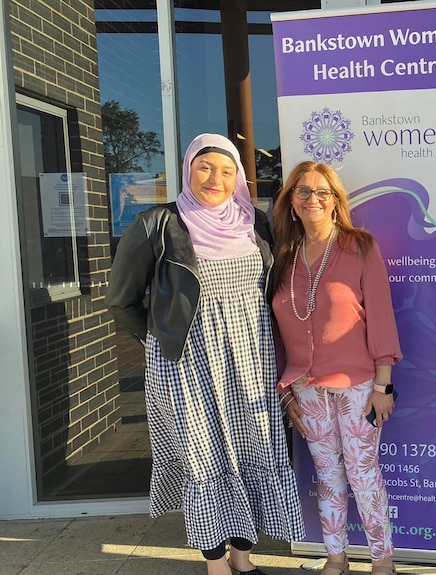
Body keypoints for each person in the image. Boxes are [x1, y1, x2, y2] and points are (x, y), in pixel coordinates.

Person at [106, 133, 305, 575]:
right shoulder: (155, 224)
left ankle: (243, 558)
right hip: (187, 366)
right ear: (187, 169)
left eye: (227, 170)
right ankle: (216, 565)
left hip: (252, 362)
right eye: (205, 167)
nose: (215, 178)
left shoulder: (255, 222)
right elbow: (120, 300)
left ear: (238, 177)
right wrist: (160, 343)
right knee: (204, 457)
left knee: (254, 450)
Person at [272, 161, 402, 575]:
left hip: (358, 387)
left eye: (322, 192)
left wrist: (384, 385)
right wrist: (285, 389)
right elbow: (270, 328)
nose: (313, 199)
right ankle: (336, 559)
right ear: (292, 201)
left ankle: (383, 565)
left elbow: (381, 317)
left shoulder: (359, 246)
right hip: (305, 388)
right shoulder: (282, 256)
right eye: (304, 192)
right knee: (328, 476)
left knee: (364, 476)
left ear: (335, 201)